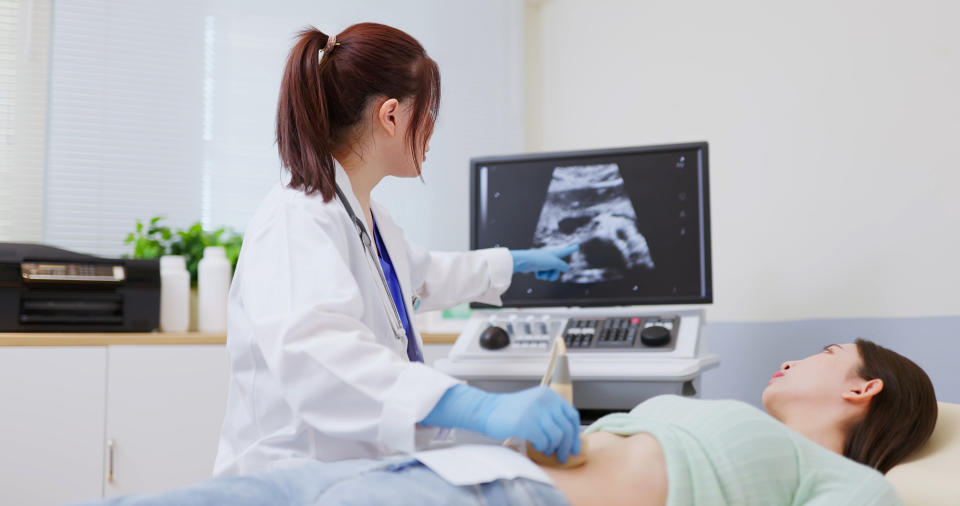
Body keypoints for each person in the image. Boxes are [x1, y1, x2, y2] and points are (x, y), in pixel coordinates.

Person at [214, 22, 582, 477]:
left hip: (357, 473)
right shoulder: (296, 220)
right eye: (427, 114)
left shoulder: (367, 218)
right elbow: (322, 360)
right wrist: (476, 407)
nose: (431, 130)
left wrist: (514, 262)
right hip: (292, 480)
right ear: (390, 116)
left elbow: (419, 275)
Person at [79, 339, 937, 506]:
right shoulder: (711, 410)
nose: (794, 360)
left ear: (863, 391)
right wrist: (538, 428)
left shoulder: (848, 482)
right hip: (466, 472)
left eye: (826, 352)